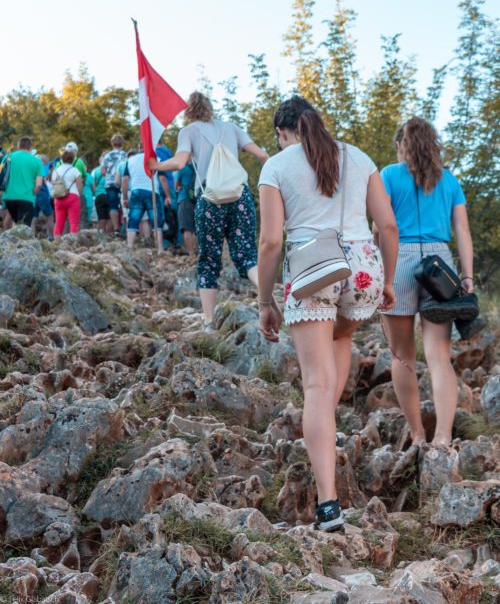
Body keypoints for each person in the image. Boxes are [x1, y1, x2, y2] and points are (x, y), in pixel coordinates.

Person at [257, 96, 398, 531]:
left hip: (314, 267)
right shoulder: (358, 157)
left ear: (283, 133)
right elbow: (388, 226)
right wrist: (388, 281)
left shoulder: (277, 166)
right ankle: (326, 432)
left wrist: (266, 300)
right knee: (342, 340)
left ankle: (328, 506)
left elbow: (271, 242)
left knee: (316, 387)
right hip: (362, 269)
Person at [375, 117, 475, 448]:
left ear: (402, 144)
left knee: (402, 355)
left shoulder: (388, 175)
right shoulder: (449, 181)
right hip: (439, 266)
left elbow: (381, 227)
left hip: (398, 260)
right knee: (438, 355)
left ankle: (418, 435)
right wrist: (467, 276)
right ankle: (443, 438)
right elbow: (462, 230)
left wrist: (379, 268)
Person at [148, 91, 268, 327]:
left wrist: (157, 165)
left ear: (189, 111)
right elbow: (262, 155)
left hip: (210, 199)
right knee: (246, 256)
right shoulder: (231, 128)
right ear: (210, 108)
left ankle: (209, 322)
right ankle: (266, 296)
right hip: (239, 197)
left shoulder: (189, 131)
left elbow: (180, 162)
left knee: (209, 260)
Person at [122, 151, 163, 251]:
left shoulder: (130, 160)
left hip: (136, 191)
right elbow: (162, 178)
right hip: (152, 191)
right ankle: (160, 249)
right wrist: (168, 195)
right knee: (156, 221)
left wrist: (125, 197)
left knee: (133, 220)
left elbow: (125, 180)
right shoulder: (157, 159)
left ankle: (130, 247)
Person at [3, 136, 44, 226]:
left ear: (19, 146)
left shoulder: (8, 157)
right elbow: (39, 185)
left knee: (16, 224)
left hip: (9, 197)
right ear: (31, 147)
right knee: (24, 229)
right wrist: (32, 193)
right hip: (26, 198)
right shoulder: (37, 161)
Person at [51, 150, 83, 237]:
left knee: (59, 223)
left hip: (58, 198)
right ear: (72, 159)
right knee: (74, 223)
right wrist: (79, 195)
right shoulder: (74, 170)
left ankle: (56, 244)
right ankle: (73, 244)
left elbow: (53, 184)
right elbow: (79, 185)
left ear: (62, 159)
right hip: (72, 197)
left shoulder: (56, 171)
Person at [102, 134, 128, 236]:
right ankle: (126, 228)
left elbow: (103, 171)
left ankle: (116, 229)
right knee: (124, 205)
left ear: (112, 143)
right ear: (122, 143)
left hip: (110, 183)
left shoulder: (107, 155)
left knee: (113, 206)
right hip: (123, 183)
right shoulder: (125, 155)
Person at [175, 161, 197, 255]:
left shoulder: (182, 168)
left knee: (187, 229)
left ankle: (191, 253)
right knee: (196, 228)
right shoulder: (199, 167)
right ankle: (197, 252)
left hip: (184, 199)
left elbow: (176, 185)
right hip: (197, 200)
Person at [32, 154, 55, 240]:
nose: (47, 163)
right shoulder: (42, 168)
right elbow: (45, 180)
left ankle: (31, 237)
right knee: (50, 216)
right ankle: (51, 237)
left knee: (34, 217)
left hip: (33, 194)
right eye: (46, 161)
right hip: (42, 193)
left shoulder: (32, 168)